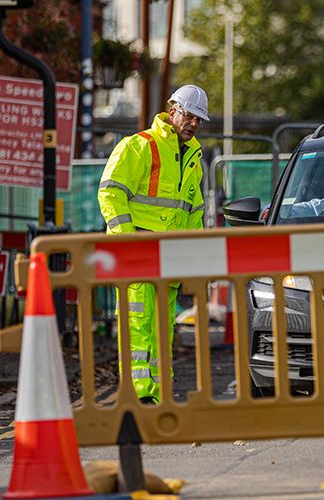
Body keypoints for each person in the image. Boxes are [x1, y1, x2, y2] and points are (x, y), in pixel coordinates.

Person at [97, 84, 209, 403]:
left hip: (168, 259)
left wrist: (193, 260)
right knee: (137, 325)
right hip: (137, 255)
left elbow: (193, 213)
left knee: (162, 330)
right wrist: (128, 241)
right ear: (172, 110)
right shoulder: (139, 146)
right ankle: (138, 394)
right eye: (190, 116)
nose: (194, 124)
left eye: (199, 120)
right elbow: (111, 192)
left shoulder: (192, 160)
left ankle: (160, 394)